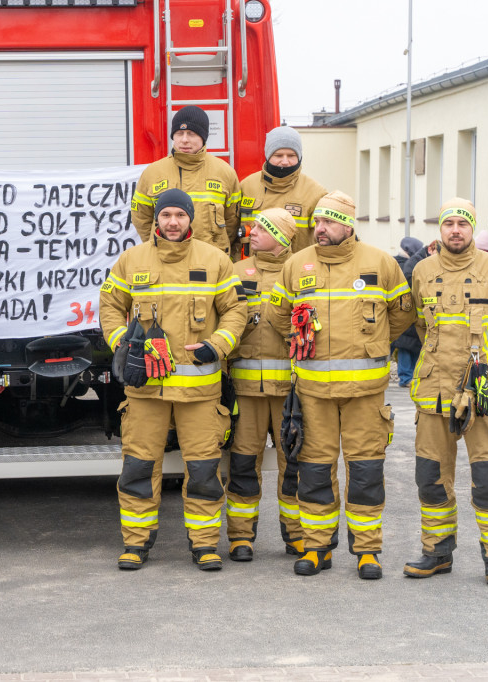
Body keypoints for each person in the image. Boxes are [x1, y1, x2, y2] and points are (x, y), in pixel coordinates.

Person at [266, 191, 414, 580]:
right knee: (314, 472)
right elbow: (278, 314)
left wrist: (374, 345)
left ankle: (367, 551)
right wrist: (301, 344)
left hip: (365, 394)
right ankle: (317, 548)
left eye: (329, 222)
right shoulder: (297, 264)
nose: (320, 229)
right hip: (313, 394)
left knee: (365, 471)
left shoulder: (380, 262)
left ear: (348, 224)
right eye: (317, 222)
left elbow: (401, 315)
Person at [100, 189, 246, 571]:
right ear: (156, 219)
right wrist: (122, 345)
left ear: (190, 219)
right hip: (145, 392)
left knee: (203, 472)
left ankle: (205, 545)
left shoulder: (215, 260)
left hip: (199, 393)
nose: (172, 222)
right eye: (166, 215)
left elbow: (235, 311)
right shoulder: (131, 260)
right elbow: (110, 306)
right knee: (137, 470)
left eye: (179, 215)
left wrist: (216, 346)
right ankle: (136, 544)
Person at [404, 198, 488, 586]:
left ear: (473, 228)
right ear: (439, 229)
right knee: (430, 477)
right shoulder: (422, 271)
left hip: (485, 393)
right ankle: (437, 552)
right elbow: (422, 329)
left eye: (462, 223)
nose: (455, 230)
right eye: (448, 224)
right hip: (434, 393)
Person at [225, 208, 299, 561]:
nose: (251, 232)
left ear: (282, 236)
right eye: (252, 227)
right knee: (242, 465)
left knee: (295, 466)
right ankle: (241, 537)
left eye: (261, 229)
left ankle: (296, 536)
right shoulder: (236, 272)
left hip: (290, 394)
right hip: (245, 392)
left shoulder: (301, 272)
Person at [131, 106, 241, 255]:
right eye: (179, 133)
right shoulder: (153, 173)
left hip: (210, 259)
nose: (184, 140)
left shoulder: (224, 172)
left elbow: (232, 222)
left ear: (203, 137)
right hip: (165, 257)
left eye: (191, 134)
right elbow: (141, 218)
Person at [237, 126, 327, 259]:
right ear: (267, 155)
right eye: (278, 155)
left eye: (291, 156)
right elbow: (230, 232)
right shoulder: (246, 186)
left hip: (295, 272)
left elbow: (325, 239)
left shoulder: (315, 193)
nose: (285, 162)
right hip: (251, 272)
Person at [393, 237, 424, 387]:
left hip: (399, 311)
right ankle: (407, 377)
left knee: (405, 346)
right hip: (408, 310)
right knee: (408, 347)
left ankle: (407, 377)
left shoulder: (393, 263)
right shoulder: (410, 266)